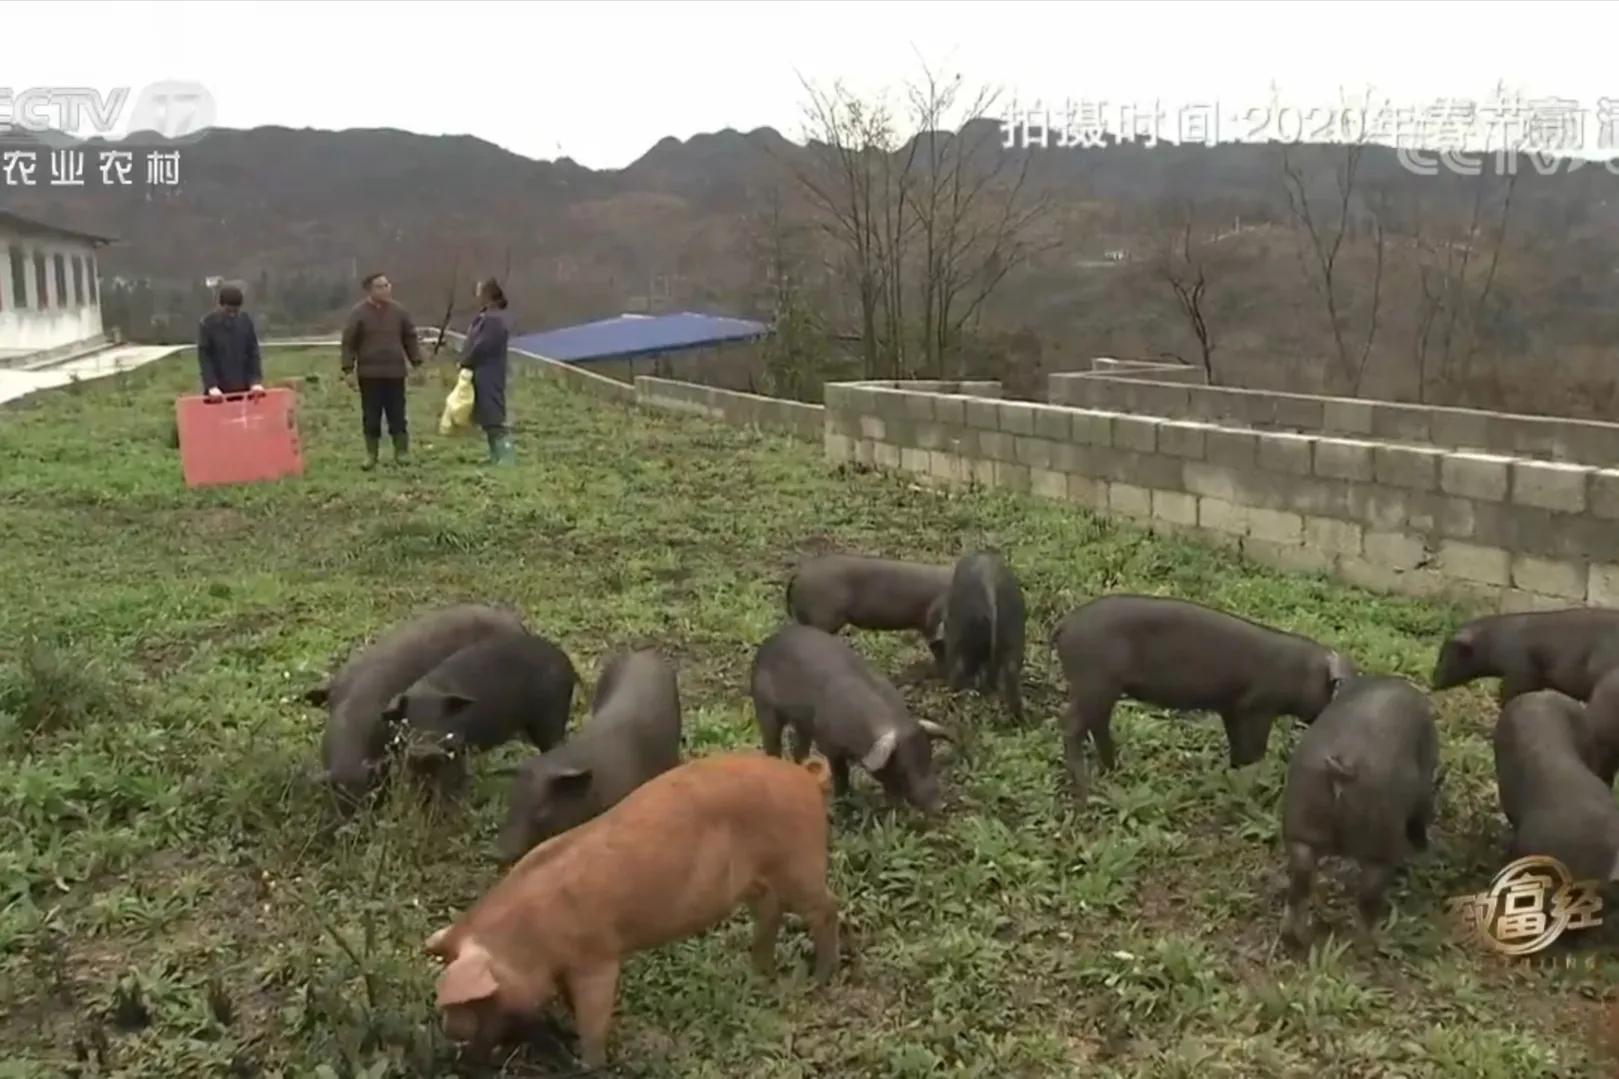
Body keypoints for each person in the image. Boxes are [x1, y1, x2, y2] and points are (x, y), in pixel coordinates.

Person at [340, 272, 423, 470]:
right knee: (371, 415)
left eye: (387, 285)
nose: (386, 289)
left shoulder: (399, 312)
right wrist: (348, 369)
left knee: (397, 414)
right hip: (369, 374)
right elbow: (349, 343)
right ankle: (371, 454)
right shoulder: (358, 313)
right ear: (370, 290)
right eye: (380, 286)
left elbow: (410, 337)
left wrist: (417, 362)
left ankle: (401, 452)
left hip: (395, 372)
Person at [459, 277, 513, 464]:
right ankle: (494, 455)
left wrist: (467, 360)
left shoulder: (494, 319)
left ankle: (505, 457)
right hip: (482, 372)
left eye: (479, 291)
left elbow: (483, 345)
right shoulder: (485, 316)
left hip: (490, 373)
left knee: (494, 416)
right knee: (487, 416)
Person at [196, 284, 264, 398]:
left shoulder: (245, 322)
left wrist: (255, 381)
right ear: (220, 306)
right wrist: (211, 386)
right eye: (228, 311)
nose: (232, 315)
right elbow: (205, 358)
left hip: (244, 387)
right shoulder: (207, 324)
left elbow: (253, 352)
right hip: (218, 390)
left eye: (235, 311)